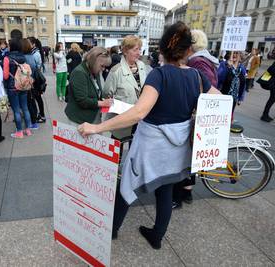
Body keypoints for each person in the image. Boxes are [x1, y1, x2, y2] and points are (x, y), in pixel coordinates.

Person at [77, 22, 220, 249]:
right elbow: (220, 99)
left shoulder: (159, 76)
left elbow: (139, 112)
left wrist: (95, 128)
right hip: (178, 147)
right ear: (187, 51)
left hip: (151, 147)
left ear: (162, 50)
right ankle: (157, 236)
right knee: (165, 190)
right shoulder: (198, 76)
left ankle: (111, 231)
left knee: (126, 187)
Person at [173, 29, 220, 208]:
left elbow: (204, 91)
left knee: (187, 157)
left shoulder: (198, 63)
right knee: (190, 156)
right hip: (200, 115)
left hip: (198, 116)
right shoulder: (205, 59)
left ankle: (181, 195)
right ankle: (186, 193)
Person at [103, 35, 147, 141]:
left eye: (140, 49)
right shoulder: (116, 71)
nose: (139, 53)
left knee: (135, 151)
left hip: (139, 118)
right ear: (126, 51)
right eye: (135, 49)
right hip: (121, 118)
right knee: (117, 151)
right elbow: (106, 94)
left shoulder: (141, 66)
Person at [64, 47, 112, 125]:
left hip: (92, 117)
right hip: (79, 119)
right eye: (102, 66)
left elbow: (97, 91)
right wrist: (102, 103)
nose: (103, 69)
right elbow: (83, 100)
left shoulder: (94, 71)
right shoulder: (79, 73)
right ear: (94, 62)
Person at [3, 38, 32, 138]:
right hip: (24, 86)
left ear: (11, 46)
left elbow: (6, 76)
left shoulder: (7, 58)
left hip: (12, 87)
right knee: (25, 108)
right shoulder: (23, 57)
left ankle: (19, 132)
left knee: (16, 110)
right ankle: (28, 129)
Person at [218, 51, 246, 116]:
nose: (234, 55)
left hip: (234, 98)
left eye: (237, 53)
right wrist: (228, 67)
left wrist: (241, 97)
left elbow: (243, 83)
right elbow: (219, 78)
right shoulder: (223, 64)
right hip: (223, 95)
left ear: (240, 55)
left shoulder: (241, 67)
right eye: (233, 53)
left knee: (229, 116)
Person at [28, 37, 46, 123]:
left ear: (33, 44)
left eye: (28, 43)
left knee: (38, 98)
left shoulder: (35, 54)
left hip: (35, 79)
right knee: (38, 98)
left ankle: (42, 115)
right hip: (35, 79)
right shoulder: (34, 52)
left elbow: (36, 67)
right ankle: (41, 114)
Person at [22, 38, 39, 130]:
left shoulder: (24, 57)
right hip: (32, 82)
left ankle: (32, 122)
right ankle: (34, 121)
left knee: (29, 104)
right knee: (32, 102)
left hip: (28, 83)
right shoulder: (31, 56)